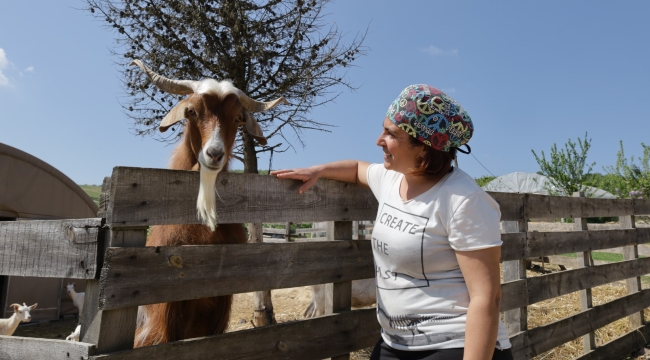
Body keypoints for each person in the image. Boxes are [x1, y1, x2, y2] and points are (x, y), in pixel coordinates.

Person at [271, 84, 513, 360]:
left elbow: (486, 297)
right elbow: (358, 169)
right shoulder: (393, 178)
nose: (378, 140)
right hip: (395, 344)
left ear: (423, 148)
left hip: (453, 345)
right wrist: (319, 169)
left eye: (391, 134)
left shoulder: (464, 200)